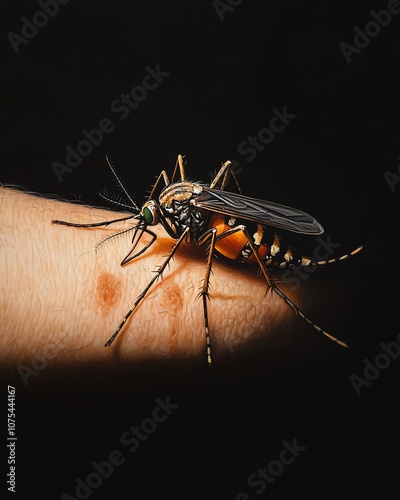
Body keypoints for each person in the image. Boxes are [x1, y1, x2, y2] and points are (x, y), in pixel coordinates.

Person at [0, 185, 298, 368]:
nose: (147, 224)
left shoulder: (174, 207)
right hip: (214, 223)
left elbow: (186, 238)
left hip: (242, 237)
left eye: (147, 218)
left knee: (204, 233)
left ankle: (282, 295)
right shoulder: (166, 202)